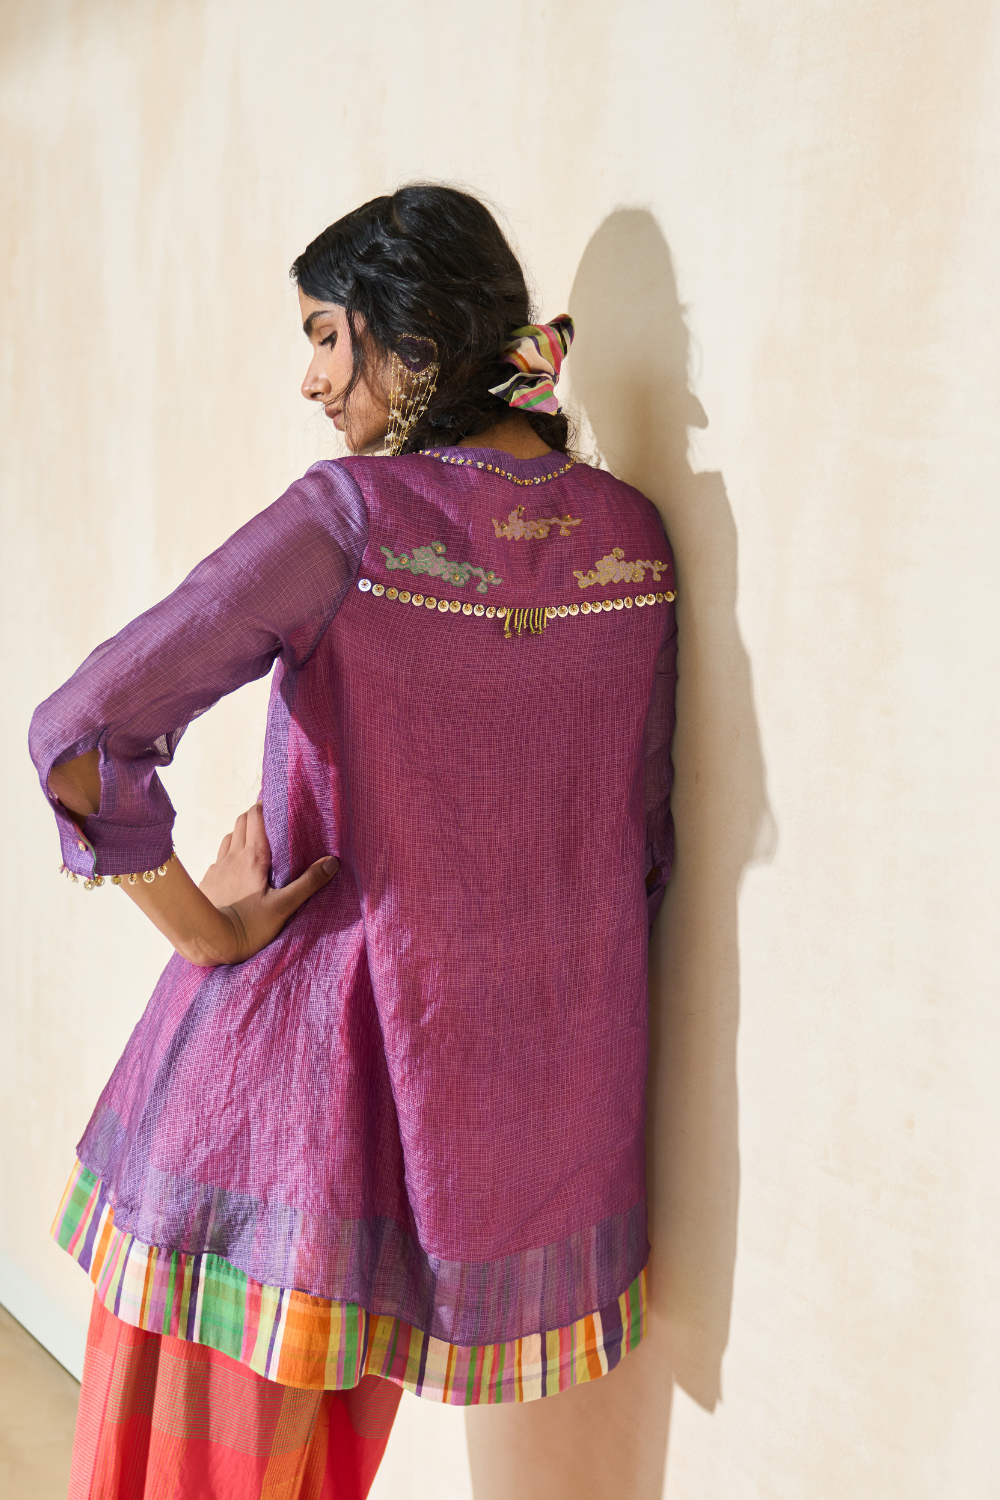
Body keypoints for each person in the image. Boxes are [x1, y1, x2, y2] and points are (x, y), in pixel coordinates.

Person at [30, 184, 678, 1500]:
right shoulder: (634, 543)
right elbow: (636, 854)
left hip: (271, 1124)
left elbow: (81, 731)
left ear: (414, 336)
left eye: (330, 335)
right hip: (469, 1145)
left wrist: (211, 931)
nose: (315, 381)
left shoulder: (351, 522)